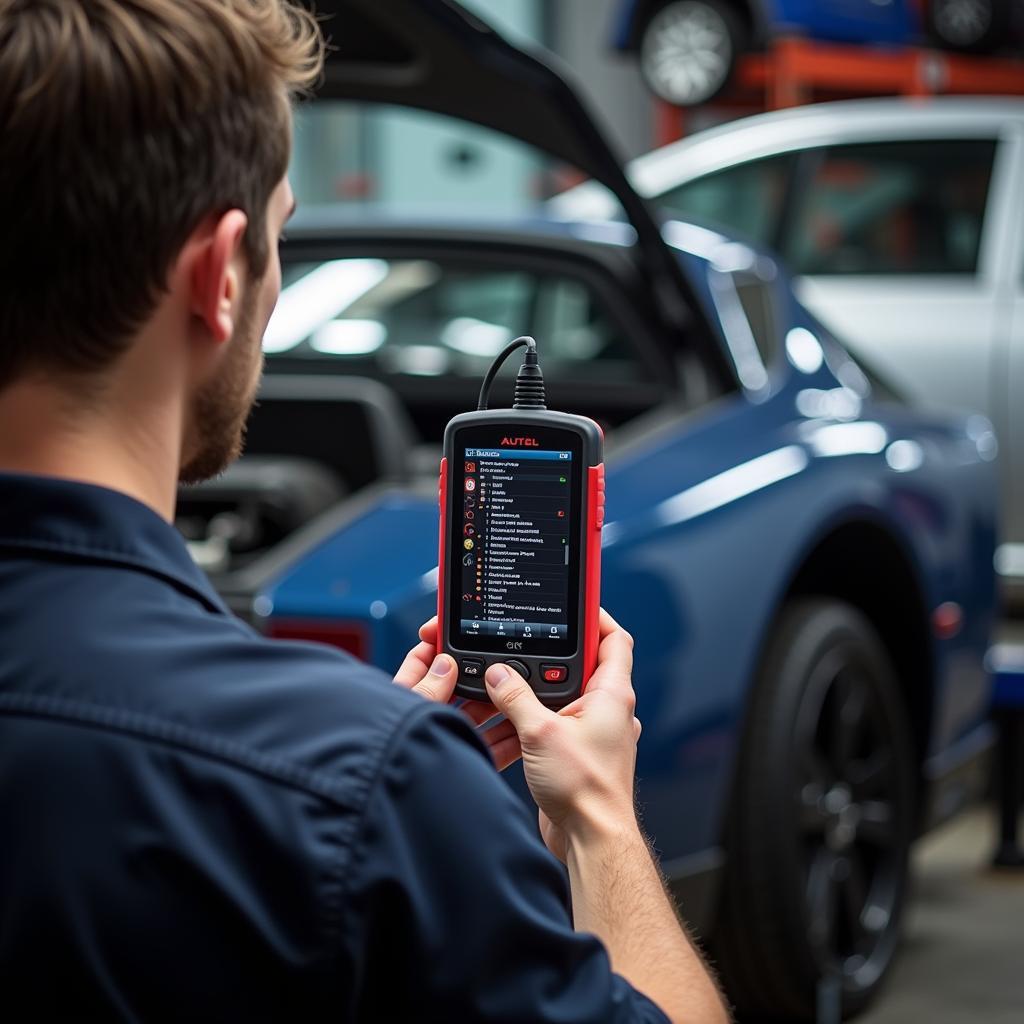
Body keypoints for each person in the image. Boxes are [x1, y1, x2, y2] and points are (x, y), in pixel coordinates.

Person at [0, 2, 729, 1022]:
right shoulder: (362, 785)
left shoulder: (356, 777)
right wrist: (594, 814)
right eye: (282, 235)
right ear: (219, 276)